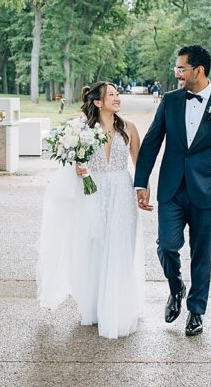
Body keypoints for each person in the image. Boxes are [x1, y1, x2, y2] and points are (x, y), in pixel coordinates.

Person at [134, 45, 211, 337]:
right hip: (172, 189)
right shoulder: (170, 101)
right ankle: (176, 288)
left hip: (208, 193)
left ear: (198, 70)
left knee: (202, 254)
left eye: (181, 68)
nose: (177, 73)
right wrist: (141, 181)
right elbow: (151, 142)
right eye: (177, 68)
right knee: (167, 246)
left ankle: (196, 311)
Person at [36, 81, 145, 338]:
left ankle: (118, 307)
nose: (118, 98)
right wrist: (77, 168)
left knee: (120, 246)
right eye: (112, 95)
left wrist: (143, 190)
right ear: (97, 101)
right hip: (93, 192)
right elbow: (73, 162)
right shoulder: (81, 130)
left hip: (121, 192)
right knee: (94, 246)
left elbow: (139, 165)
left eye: (118, 94)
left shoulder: (129, 129)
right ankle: (95, 306)